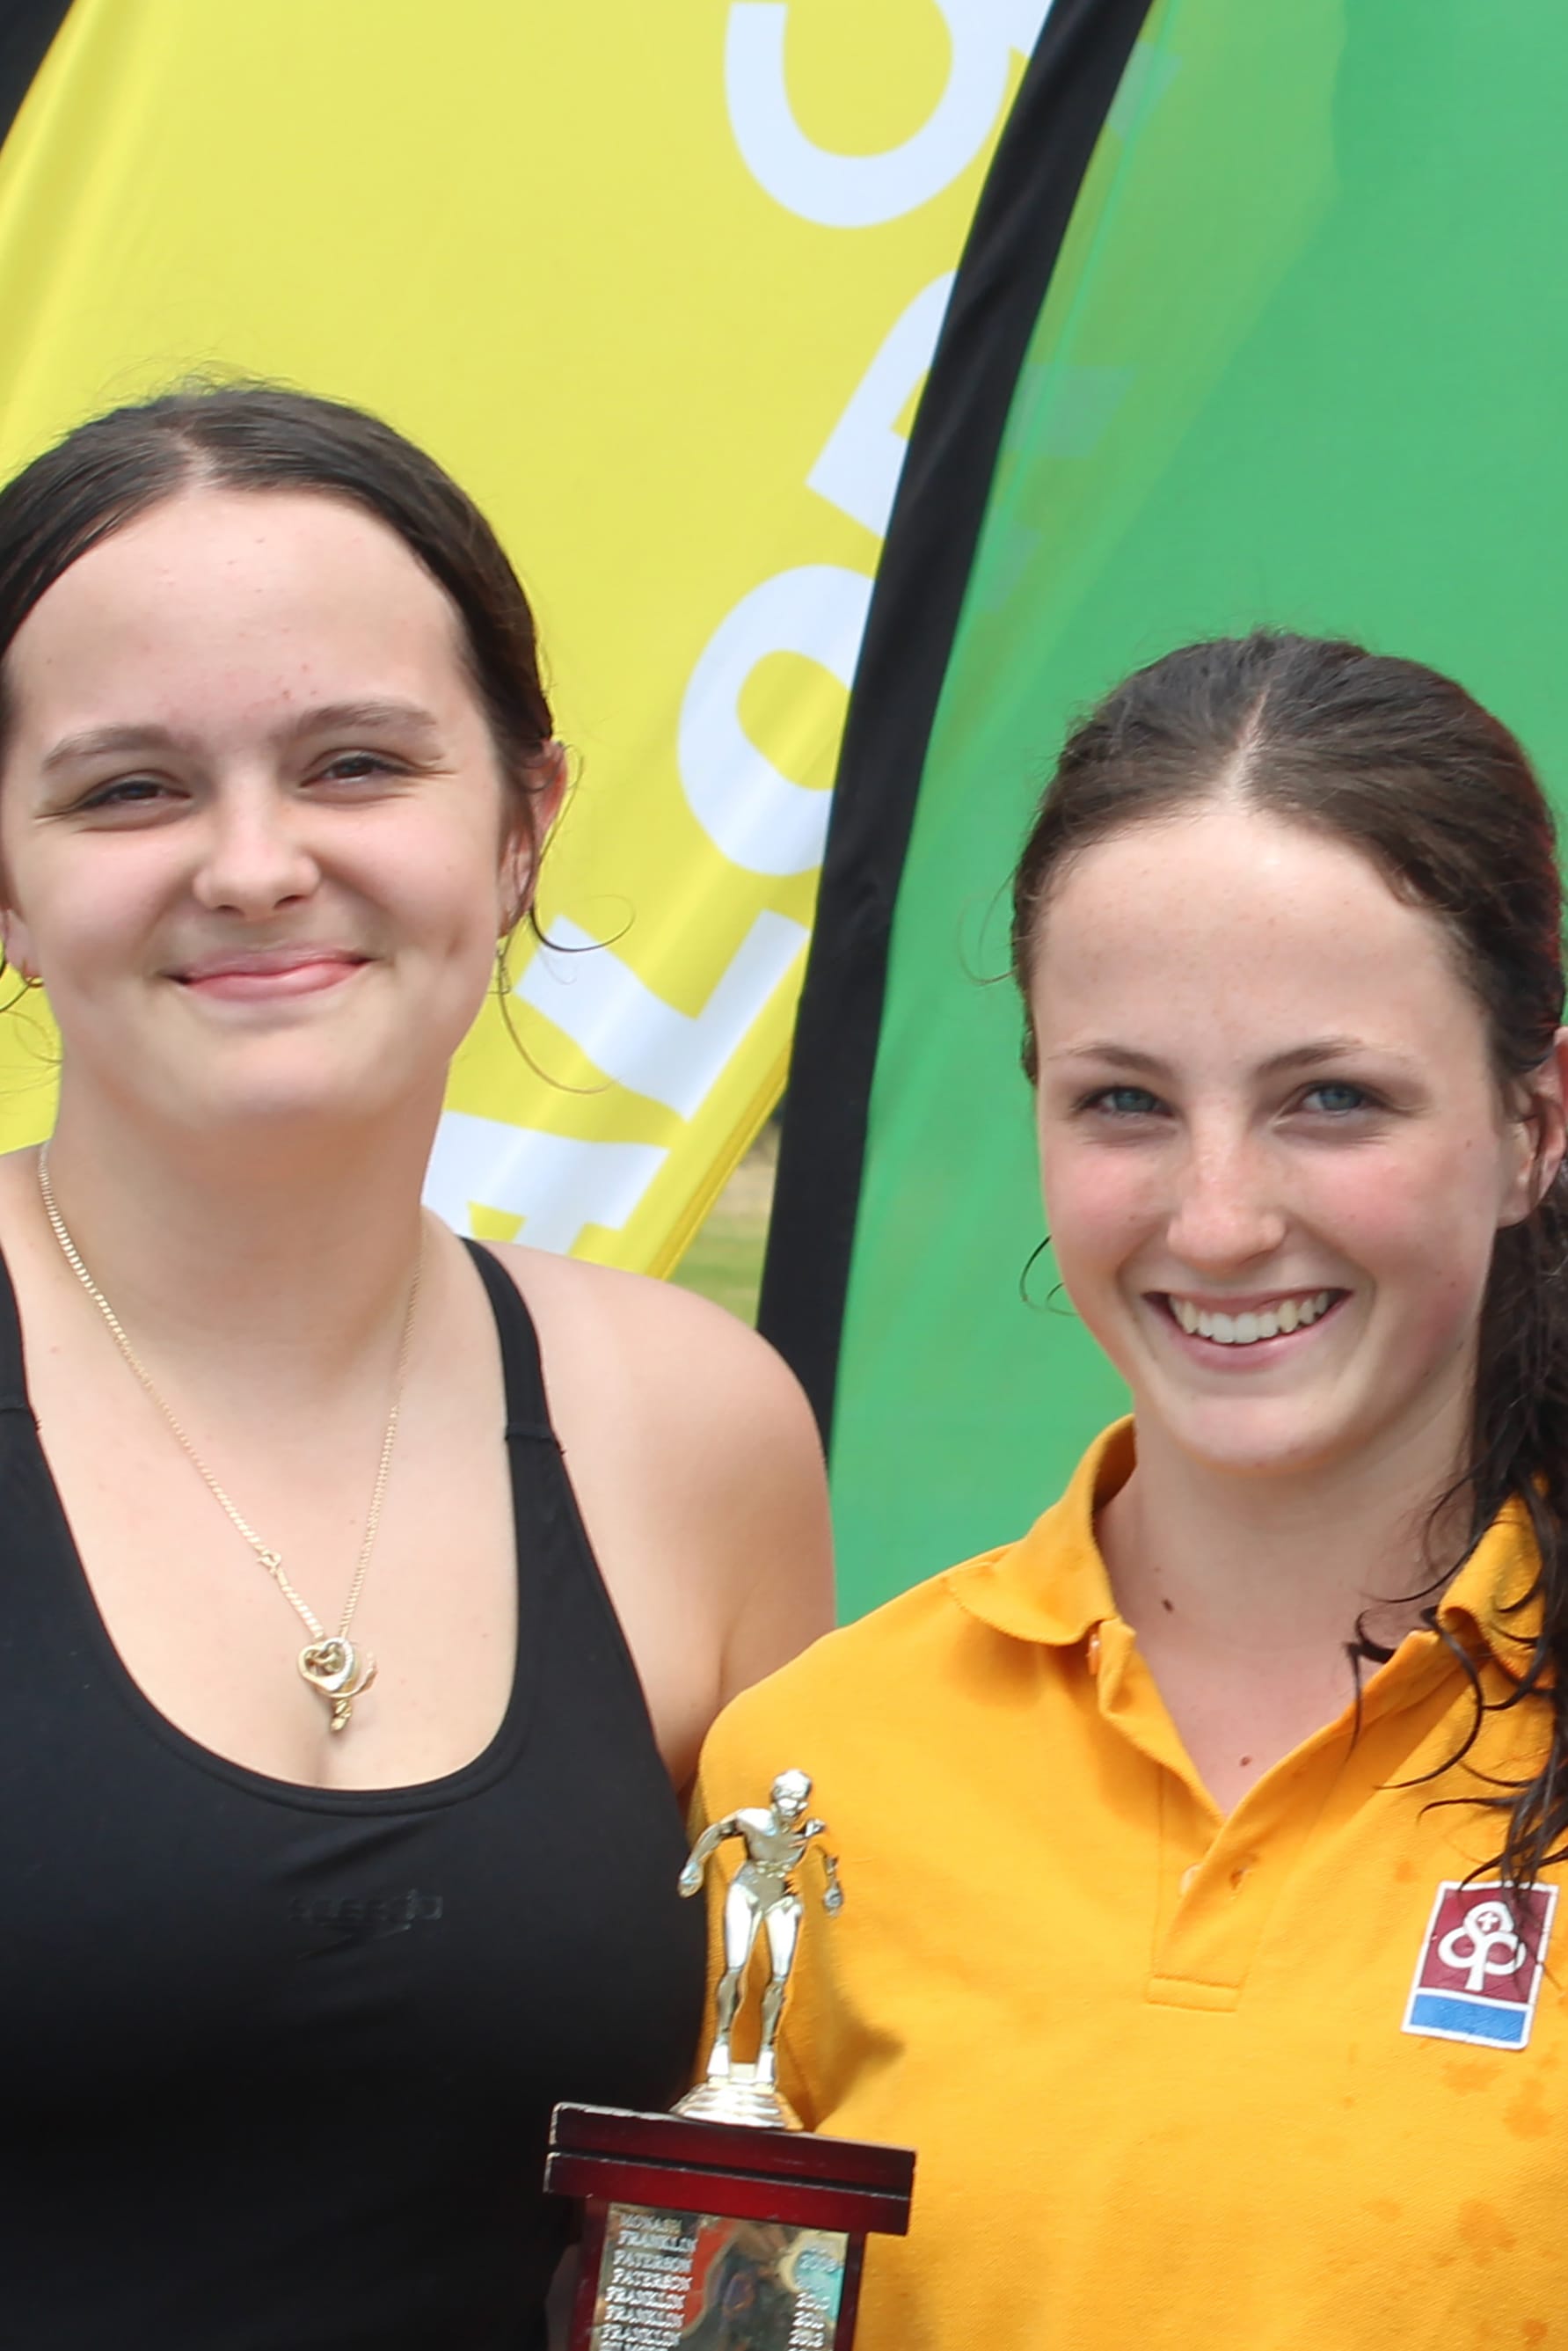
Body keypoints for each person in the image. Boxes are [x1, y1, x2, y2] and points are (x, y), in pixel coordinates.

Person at [0, 383, 833, 2347]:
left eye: (356, 761)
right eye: (128, 788)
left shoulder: (697, 1427)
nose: (256, 861)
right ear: (8, 887)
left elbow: (770, 2131)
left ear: (524, 820)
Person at [694, 632, 1568, 2346]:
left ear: (1536, 1119)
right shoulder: (806, 1775)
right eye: (1123, 1100)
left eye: (1331, 1097)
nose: (1219, 1213)